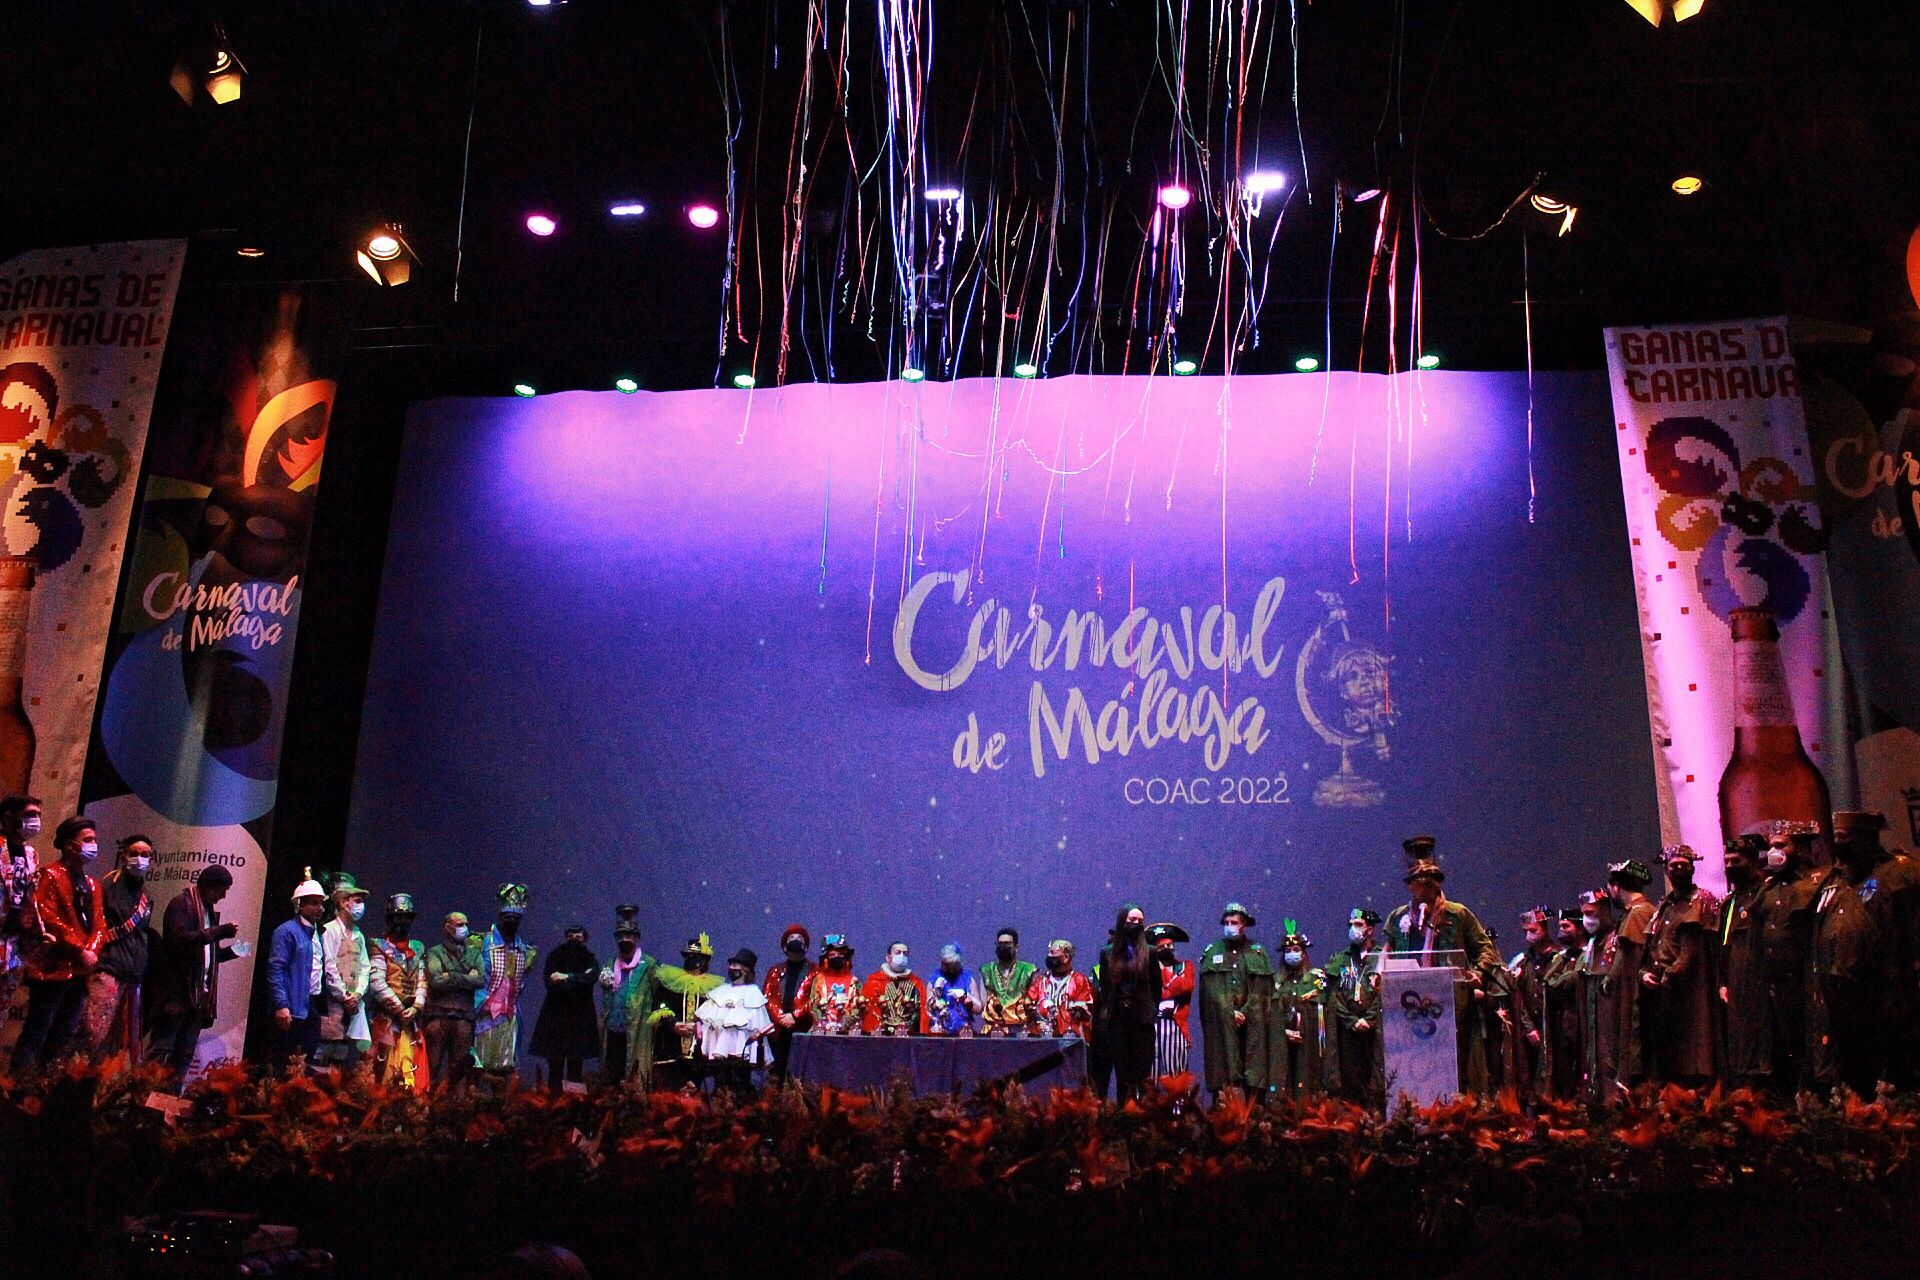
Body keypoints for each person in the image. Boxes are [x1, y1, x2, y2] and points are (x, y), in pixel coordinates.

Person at [1810, 810, 1920, 1095]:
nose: (1838, 844)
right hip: (1841, 995)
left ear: (1865, 838)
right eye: (1836, 837)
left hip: (1887, 992)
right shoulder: (1836, 881)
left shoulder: (1896, 875)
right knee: (1856, 1072)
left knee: (1893, 1070)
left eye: (1843, 837)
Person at [1382, 838, 1501, 1095]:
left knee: (1453, 1060)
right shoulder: (1398, 917)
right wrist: (1378, 972)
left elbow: (1484, 947)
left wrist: (1478, 973)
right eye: (1417, 883)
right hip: (1408, 1002)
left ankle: (1455, 1105)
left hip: (1451, 1002)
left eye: (1428, 883)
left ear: (1438, 884)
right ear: (1409, 886)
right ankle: (1411, 1103)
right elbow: (1387, 950)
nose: (1423, 889)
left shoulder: (1457, 914)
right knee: (1412, 1060)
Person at [9, 816, 105, 1073]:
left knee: (64, 1033)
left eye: (94, 839)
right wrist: (78, 950)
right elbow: (48, 918)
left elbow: (99, 924)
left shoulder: (94, 884)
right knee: (38, 1029)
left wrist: (92, 950)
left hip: (80, 971)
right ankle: (19, 1088)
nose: (93, 845)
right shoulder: (49, 875)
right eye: (87, 840)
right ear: (68, 844)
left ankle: (45, 1085)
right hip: (53, 967)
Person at [148, 865, 240, 1087]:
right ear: (209, 885)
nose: (223, 896)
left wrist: (230, 952)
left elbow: (205, 955)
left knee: (185, 1054)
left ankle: (169, 1103)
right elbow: (179, 942)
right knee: (161, 1051)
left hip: (197, 998)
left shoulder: (207, 911)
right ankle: (142, 1100)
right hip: (176, 995)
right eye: (222, 889)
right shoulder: (181, 905)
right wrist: (220, 931)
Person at [1642, 845, 1723, 1086]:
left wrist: (1669, 974)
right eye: (1673, 866)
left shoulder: (1701, 900)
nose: (1678, 870)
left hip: (1689, 988)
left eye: (1683, 866)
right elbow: (1652, 946)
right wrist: (1645, 973)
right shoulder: (1664, 905)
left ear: (1692, 868)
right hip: (1662, 989)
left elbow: (1691, 950)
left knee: (1694, 1049)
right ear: (1665, 870)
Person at [1757, 819, 1820, 1094]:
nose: (1774, 852)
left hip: (1805, 984)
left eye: (1781, 845)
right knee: (1783, 1051)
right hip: (1774, 986)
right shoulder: (1769, 888)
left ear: (1800, 848)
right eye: (1771, 846)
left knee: (1809, 1047)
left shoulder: (1815, 884)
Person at [82, 834, 154, 1065]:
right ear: (124, 857)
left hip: (132, 976)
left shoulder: (146, 896)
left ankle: (98, 1092)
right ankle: (75, 1087)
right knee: (93, 1034)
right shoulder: (106, 887)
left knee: (115, 1043)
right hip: (107, 970)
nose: (139, 859)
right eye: (134, 854)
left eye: (145, 855)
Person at [1197, 902, 1278, 1097]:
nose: (1229, 925)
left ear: (1244, 925)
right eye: (1226, 922)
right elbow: (1209, 992)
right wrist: (1229, 1012)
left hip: (1253, 1023)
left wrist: (1245, 1012)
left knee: (1253, 1068)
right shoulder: (1213, 952)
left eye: (1234, 922)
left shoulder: (1258, 952)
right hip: (1223, 1025)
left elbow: (1264, 989)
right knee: (1225, 1069)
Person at [1718, 835, 1773, 1090]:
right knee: (1739, 1046)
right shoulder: (1729, 902)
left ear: (1752, 861)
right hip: (1735, 984)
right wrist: (1723, 981)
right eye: (1727, 861)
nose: (1730, 866)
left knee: (1763, 1047)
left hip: (1761, 981)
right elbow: (1724, 946)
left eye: (1736, 861)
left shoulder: (1765, 893)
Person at [1090, 905, 1162, 1100]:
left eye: (1140, 921)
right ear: (1122, 922)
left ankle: (1144, 1120)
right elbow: (1106, 987)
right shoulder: (1107, 953)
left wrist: (1148, 1010)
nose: (1136, 924)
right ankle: (1124, 1116)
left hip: (1142, 1022)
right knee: (1123, 1076)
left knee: (1142, 1075)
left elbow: (1157, 988)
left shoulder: (1151, 952)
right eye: (1132, 920)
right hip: (1118, 1022)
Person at [264, 872, 333, 1068]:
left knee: (305, 1061)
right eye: (314, 903)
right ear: (300, 904)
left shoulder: (317, 932)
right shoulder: (286, 931)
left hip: (308, 1004)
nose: (320, 908)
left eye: (321, 903)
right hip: (290, 1007)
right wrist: (281, 1005)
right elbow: (275, 970)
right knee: (281, 1063)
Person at [1603, 857, 1657, 1090]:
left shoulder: (1636, 915)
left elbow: (1627, 963)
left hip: (1632, 999)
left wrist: (1608, 980)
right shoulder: (1641, 912)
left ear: (1617, 887)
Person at [474, 883, 537, 1078]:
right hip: (482, 1014)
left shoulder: (525, 951)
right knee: (477, 1066)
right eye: (508, 917)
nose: (512, 921)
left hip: (509, 1015)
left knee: (504, 1067)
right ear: (500, 917)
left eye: (516, 918)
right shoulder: (482, 942)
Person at [367, 893, 429, 1090]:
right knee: (382, 1065)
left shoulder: (417, 948)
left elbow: (422, 979)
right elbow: (377, 981)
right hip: (387, 1017)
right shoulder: (380, 946)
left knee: (410, 1066)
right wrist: (399, 1008)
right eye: (398, 917)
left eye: (407, 917)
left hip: (411, 1019)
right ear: (390, 918)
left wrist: (417, 1007)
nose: (402, 922)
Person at [530, 923, 600, 1092]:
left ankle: (573, 1105)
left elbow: (590, 978)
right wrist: (578, 980)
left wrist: (565, 977)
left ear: (584, 939)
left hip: (580, 1021)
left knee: (576, 1068)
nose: (574, 940)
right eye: (571, 936)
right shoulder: (555, 956)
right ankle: (554, 1103)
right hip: (555, 1020)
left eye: (578, 937)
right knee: (555, 1067)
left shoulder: (590, 958)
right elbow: (549, 982)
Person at [1324, 908, 1382, 1107]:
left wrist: (1370, 1018)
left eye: (1358, 925)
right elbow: (1333, 998)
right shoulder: (1341, 959)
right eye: (1351, 925)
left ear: (1370, 930)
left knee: (1377, 1079)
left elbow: (1385, 993)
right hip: (1349, 1031)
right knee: (1351, 1082)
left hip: (1376, 1030)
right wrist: (1352, 1021)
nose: (1353, 929)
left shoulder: (1382, 957)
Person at [695, 948, 773, 1097]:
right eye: (731, 965)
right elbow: (706, 1015)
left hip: (741, 1050)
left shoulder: (753, 993)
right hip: (720, 1047)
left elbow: (757, 1023)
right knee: (719, 1082)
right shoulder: (722, 990)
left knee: (740, 1084)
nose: (732, 969)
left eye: (736, 966)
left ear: (745, 970)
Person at [600, 907, 663, 1086]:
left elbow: (658, 994)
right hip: (613, 1028)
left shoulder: (649, 965)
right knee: (611, 1072)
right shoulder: (610, 964)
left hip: (637, 1029)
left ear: (636, 938)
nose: (624, 940)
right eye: (620, 937)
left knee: (635, 1070)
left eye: (629, 936)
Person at [317, 872, 372, 1069]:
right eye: (356, 900)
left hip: (352, 1003)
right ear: (342, 903)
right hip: (334, 1002)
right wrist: (343, 995)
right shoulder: (329, 930)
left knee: (341, 1052)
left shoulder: (359, 935)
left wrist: (358, 993)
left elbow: (365, 967)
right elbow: (329, 966)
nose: (360, 906)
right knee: (324, 1049)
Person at [423, 910, 483, 1090]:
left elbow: (480, 980)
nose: (464, 929)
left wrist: (450, 975)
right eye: (459, 925)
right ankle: (426, 1108)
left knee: (459, 1072)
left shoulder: (473, 954)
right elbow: (435, 981)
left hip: (464, 1017)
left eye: (465, 924)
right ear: (447, 927)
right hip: (438, 1016)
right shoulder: (435, 952)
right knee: (432, 1067)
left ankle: (456, 1110)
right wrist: (465, 977)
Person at [654, 933, 723, 1089]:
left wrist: (701, 1027)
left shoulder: (714, 987)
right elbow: (661, 1005)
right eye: (689, 956)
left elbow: (718, 1015)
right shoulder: (671, 980)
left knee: (698, 1092)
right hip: (672, 1046)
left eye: (697, 957)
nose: (692, 961)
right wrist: (674, 1023)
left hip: (701, 1050)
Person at [0, 795, 41, 1036]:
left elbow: (31, 895)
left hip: (14, 945)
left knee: (3, 1007)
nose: (35, 821)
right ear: (8, 817)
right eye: (29, 815)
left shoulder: (31, 854)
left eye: (38, 815)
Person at [1507, 907, 1557, 1104]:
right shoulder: (1523, 962)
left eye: (1534, 931)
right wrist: (1529, 1027)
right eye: (1526, 931)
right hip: (1530, 1028)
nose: (1529, 937)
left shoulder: (1557, 958)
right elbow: (1517, 997)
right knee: (1529, 1075)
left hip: (1553, 1025)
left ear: (1545, 929)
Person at [1272, 921, 1325, 1101]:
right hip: (1282, 1046)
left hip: (1308, 1047)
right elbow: (1269, 1015)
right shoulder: (1275, 982)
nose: (1292, 954)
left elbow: (1323, 1018)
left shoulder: (1316, 980)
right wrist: (1283, 1032)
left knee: (1306, 1092)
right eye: (1287, 951)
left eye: (1296, 950)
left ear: (1303, 953)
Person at [1575, 888, 1618, 1102]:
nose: (1586, 919)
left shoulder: (1616, 939)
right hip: (1592, 1022)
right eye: (1584, 914)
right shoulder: (1591, 944)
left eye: (1591, 913)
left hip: (1611, 1018)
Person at [1540, 909, 1586, 1100]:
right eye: (1559, 926)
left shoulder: (1587, 954)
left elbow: (1568, 981)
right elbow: (1548, 981)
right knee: (1562, 1074)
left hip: (1580, 1023)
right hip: (1562, 1025)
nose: (1561, 930)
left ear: (1580, 929)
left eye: (1566, 926)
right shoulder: (1561, 957)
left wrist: (1556, 982)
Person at [761, 922, 815, 1077]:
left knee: (801, 1073)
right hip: (778, 1031)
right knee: (777, 1072)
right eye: (792, 937)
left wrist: (795, 1015)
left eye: (800, 938)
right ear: (784, 946)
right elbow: (767, 996)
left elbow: (816, 998)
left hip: (803, 1029)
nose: (796, 940)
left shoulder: (814, 971)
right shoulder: (775, 970)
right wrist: (781, 1017)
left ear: (805, 945)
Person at [1147, 923, 1195, 1080]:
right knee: (1150, 1074)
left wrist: (1163, 973)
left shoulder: (1185, 966)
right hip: (1152, 1025)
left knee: (1175, 1075)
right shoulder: (1147, 970)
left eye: (1169, 945)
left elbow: (1185, 987)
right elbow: (1150, 993)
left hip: (1175, 1025)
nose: (1167, 948)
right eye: (1162, 947)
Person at [1026, 939, 1094, 1038]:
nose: (1050, 956)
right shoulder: (1041, 980)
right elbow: (1028, 1005)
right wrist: (1039, 1021)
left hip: (1071, 1038)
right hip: (1042, 1037)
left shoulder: (1080, 981)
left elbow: (1086, 1009)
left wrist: (1065, 1014)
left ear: (1066, 957)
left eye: (1053, 953)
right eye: (1049, 953)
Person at [861, 940, 930, 1035]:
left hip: (909, 1037)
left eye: (905, 954)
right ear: (888, 958)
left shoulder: (916, 983)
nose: (902, 956)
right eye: (898, 953)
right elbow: (869, 1015)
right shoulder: (874, 982)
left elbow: (922, 1013)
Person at [980, 927, 1036, 1036]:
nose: (1003, 947)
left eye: (1007, 944)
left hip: (1020, 1029)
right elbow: (984, 1002)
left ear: (1016, 947)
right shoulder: (986, 970)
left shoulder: (1028, 970)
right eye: (999, 944)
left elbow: (1032, 1001)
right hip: (993, 1029)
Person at [802, 934, 862, 1034]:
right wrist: (823, 1023)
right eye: (832, 955)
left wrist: (849, 1021)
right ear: (826, 958)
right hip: (823, 1031)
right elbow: (813, 1005)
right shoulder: (819, 980)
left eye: (840, 954)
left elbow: (860, 1005)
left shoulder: (855, 981)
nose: (837, 957)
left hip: (849, 1032)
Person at [928, 942, 984, 1037]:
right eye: (947, 965)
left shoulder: (968, 979)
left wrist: (965, 996)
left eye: (953, 966)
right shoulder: (933, 980)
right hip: (940, 1031)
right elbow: (928, 1009)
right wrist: (936, 991)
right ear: (942, 962)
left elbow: (978, 1009)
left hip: (963, 1031)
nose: (950, 970)